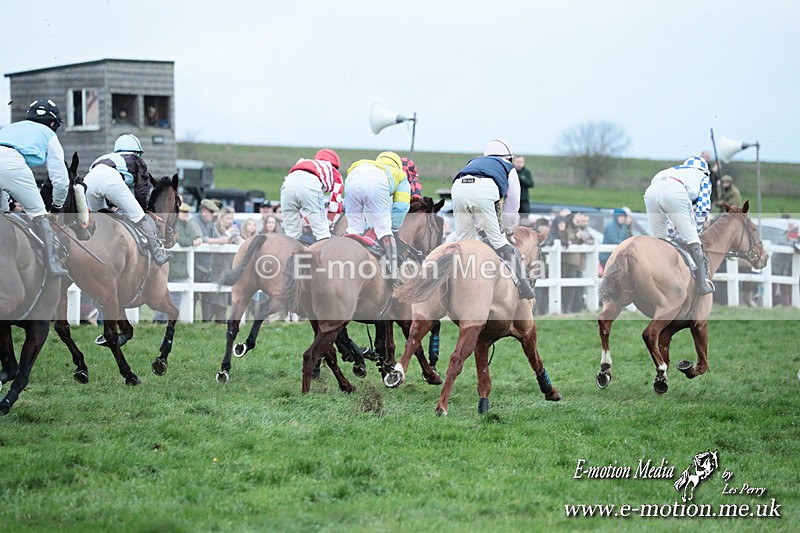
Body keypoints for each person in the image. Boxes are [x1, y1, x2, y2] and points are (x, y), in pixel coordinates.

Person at [450, 139, 534, 299]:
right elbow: (512, 203)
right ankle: (525, 288)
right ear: (509, 157)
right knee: (500, 243)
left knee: (464, 244)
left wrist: (480, 227)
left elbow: (472, 201)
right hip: (484, 189)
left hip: (458, 187)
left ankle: (459, 286)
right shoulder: (509, 168)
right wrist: (509, 230)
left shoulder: (474, 161)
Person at [0, 98, 69, 275]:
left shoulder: (10, 127)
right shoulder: (49, 134)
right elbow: (61, 180)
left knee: (3, 215)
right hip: (12, 163)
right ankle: (52, 264)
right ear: (53, 122)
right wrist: (56, 208)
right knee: (39, 215)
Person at [85, 133, 170, 266]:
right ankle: (157, 253)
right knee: (139, 216)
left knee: (99, 222)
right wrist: (144, 210)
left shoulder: (105, 157)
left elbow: (103, 184)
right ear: (137, 151)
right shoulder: (136, 160)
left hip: (89, 180)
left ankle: (93, 250)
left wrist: (111, 206)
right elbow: (141, 190)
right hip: (109, 179)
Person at [644, 156, 714, 295]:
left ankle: (655, 282)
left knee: (660, 242)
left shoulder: (674, 170)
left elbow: (669, 214)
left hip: (650, 192)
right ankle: (702, 285)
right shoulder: (703, 177)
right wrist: (696, 233)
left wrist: (673, 233)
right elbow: (703, 209)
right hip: (675, 191)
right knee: (693, 240)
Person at [344, 151, 410, 278]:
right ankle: (394, 272)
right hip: (376, 182)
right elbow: (401, 207)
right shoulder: (400, 175)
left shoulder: (370, 164)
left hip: (352, 177)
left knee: (354, 229)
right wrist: (394, 228)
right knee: (384, 230)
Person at [153, 200, 203, 323]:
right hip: (173, 265)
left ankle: (162, 319)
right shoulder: (175, 225)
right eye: (184, 212)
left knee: (171, 295)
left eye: (188, 212)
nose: (187, 214)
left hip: (178, 265)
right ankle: (161, 319)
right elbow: (180, 240)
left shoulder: (185, 224)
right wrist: (192, 241)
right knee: (169, 295)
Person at [280, 148, 343, 244]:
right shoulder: (332, 170)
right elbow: (335, 203)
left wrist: (307, 223)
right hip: (310, 184)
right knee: (323, 234)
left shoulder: (303, 162)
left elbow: (300, 200)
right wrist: (329, 223)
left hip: (287, 183)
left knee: (291, 235)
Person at [187, 199, 229, 321]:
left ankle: (206, 320)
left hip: (207, 266)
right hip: (195, 265)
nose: (212, 214)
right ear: (203, 210)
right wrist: (219, 241)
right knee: (193, 296)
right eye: (211, 211)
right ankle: (191, 320)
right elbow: (200, 239)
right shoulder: (193, 222)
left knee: (207, 296)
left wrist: (223, 239)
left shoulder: (209, 223)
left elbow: (218, 237)